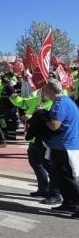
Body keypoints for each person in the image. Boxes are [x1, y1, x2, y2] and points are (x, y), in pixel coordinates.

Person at [42, 79, 79, 218]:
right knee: (61, 177)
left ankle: (75, 203)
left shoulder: (60, 103)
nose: (44, 92)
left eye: (45, 90)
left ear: (51, 90)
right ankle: (70, 203)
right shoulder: (65, 101)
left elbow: (55, 125)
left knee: (68, 178)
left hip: (65, 146)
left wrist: (42, 118)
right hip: (62, 145)